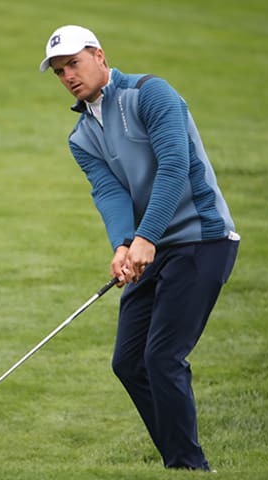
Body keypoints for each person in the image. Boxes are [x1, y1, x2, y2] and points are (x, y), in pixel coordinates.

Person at [39, 25, 239, 471]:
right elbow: (110, 194)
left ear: (100, 56)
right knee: (129, 362)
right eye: (58, 71)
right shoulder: (80, 136)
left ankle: (187, 465)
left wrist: (145, 239)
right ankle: (181, 460)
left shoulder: (150, 93)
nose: (68, 76)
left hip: (201, 239)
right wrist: (123, 245)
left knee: (162, 357)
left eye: (73, 63)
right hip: (152, 248)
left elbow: (175, 167)